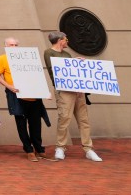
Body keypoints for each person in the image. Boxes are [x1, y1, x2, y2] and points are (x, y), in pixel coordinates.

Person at [43, 31, 102, 162]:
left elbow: (73, 72)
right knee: (64, 118)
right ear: (60, 40)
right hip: (63, 90)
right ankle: (60, 147)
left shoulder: (67, 54)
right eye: (66, 39)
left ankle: (88, 149)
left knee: (84, 120)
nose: (67, 41)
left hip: (77, 90)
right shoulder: (49, 52)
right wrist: (73, 61)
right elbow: (56, 68)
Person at [0, 37, 49, 161]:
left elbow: (36, 74)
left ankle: (39, 148)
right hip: (15, 95)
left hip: (33, 95)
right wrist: (9, 86)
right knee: (21, 123)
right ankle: (28, 150)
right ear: (6, 47)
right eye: (11, 45)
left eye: (15, 45)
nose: (13, 47)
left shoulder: (27, 57)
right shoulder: (2, 59)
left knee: (36, 123)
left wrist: (44, 91)